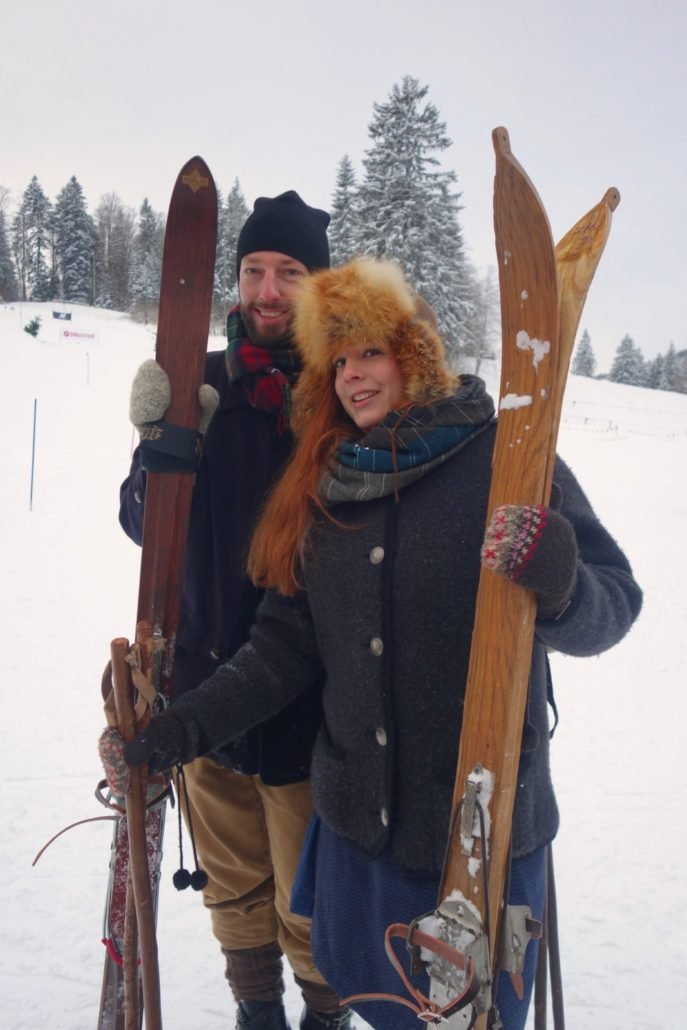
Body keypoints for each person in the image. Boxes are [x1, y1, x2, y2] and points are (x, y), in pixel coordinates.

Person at [110, 258, 643, 1029]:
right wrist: (182, 728)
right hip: (365, 837)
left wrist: (559, 580)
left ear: (414, 353)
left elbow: (614, 604)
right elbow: (280, 651)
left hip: (479, 835)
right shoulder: (328, 486)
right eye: (338, 363)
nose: (353, 377)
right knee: (376, 1002)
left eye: (370, 353)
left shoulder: (506, 459)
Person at [116, 191, 351, 1030]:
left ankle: (324, 1018)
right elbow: (144, 527)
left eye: (289, 272)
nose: (267, 289)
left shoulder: (346, 394)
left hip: (309, 703)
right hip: (205, 689)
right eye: (254, 269)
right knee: (234, 883)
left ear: (318, 287)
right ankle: (257, 1014)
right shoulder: (201, 384)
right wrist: (162, 452)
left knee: (313, 895)